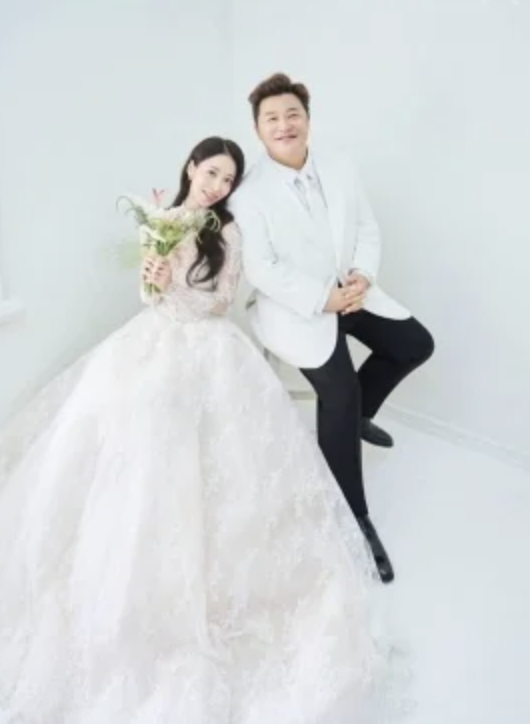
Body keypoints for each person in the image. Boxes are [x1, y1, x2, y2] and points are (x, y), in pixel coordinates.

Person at [0, 137, 399, 724]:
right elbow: (147, 296)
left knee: (219, 445)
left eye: (227, 179)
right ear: (191, 167)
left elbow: (220, 301)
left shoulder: (226, 231)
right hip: (153, 337)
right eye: (212, 172)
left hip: (210, 344)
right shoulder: (159, 220)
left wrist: (177, 287)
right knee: (133, 426)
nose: (217, 186)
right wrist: (153, 276)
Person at [230, 73, 435, 584]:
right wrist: (322, 299)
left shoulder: (341, 166)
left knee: (414, 344)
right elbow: (262, 269)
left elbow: (366, 227)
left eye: (292, 114)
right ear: (258, 129)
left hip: (352, 292)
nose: (284, 125)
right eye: (272, 118)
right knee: (339, 393)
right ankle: (352, 516)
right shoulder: (247, 194)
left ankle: (356, 418)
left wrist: (362, 275)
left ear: (307, 119)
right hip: (296, 308)